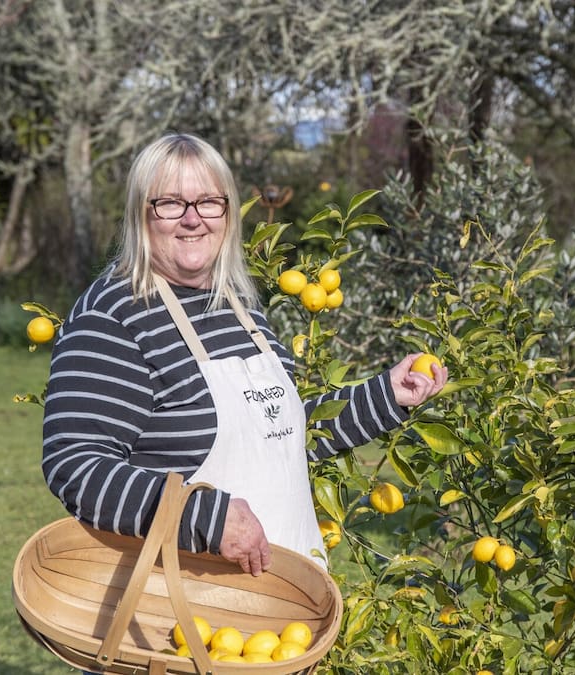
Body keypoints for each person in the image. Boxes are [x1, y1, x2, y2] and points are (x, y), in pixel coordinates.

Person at [41, 133, 447, 582]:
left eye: (209, 202)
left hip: (281, 610)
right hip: (187, 609)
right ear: (142, 214)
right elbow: (75, 464)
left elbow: (278, 437)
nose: (193, 219)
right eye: (171, 203)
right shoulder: (115, 315)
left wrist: (386, 395)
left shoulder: (236, 304)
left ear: (228, 213)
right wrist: (204, 519)